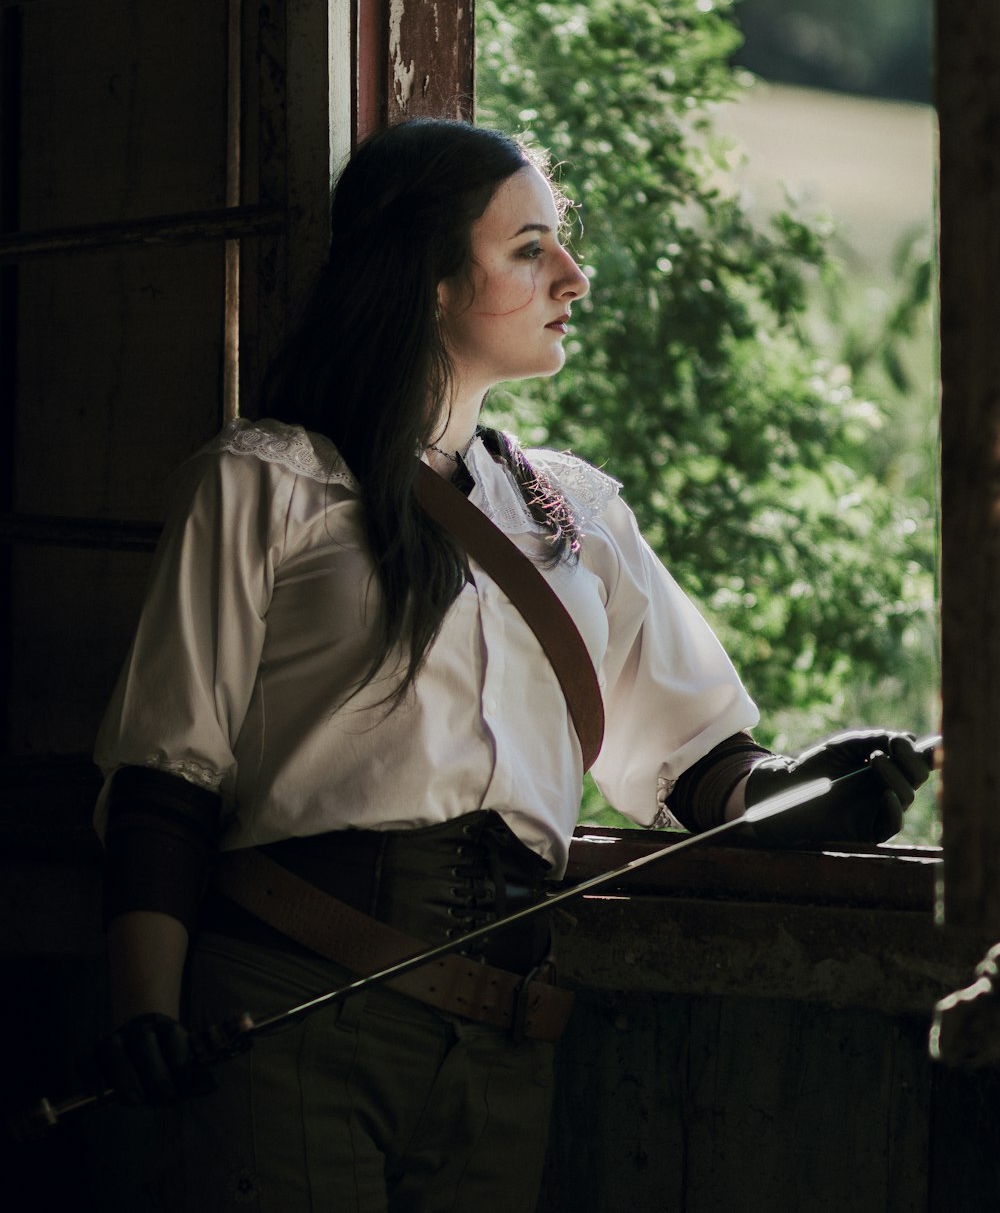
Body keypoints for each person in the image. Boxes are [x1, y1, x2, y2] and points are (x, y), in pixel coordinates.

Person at [93, 117, 930, 1213]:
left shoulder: (576, 514)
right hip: (286, 1011)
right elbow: (165, 785)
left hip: (505, 1038)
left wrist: (818, 790)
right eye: (530, 248)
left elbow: (701, 764)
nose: (573, 277)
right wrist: (147, 1016)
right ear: (430, 279)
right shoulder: (266, 484)